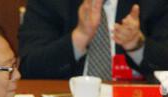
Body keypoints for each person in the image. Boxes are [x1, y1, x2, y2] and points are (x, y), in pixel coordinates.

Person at [19, 0, 168, 81]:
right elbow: (29, 67)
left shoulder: (154, 4)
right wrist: (79, 37)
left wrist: (138, 45)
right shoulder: (52, 3)